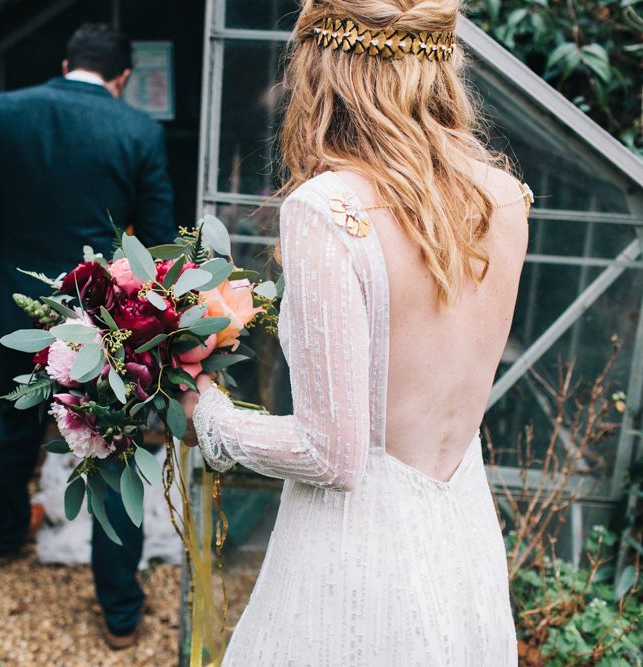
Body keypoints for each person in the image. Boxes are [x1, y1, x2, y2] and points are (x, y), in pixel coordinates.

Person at [180, 0, 532, 664]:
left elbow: (328, 453)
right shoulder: (505, 199)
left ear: (326, 70)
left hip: (353, 557)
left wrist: (209, 413)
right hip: (462, 541)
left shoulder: (327, 209)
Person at [0, 23, 174, 649]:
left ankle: (1, 541)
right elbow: (154, 246)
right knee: (114, 445)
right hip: (107, 319)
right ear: (121, 79)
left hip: (18, 309)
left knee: (15, 423)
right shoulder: (139, 131)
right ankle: (120, 611)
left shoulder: (1, 111)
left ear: (66, 61)